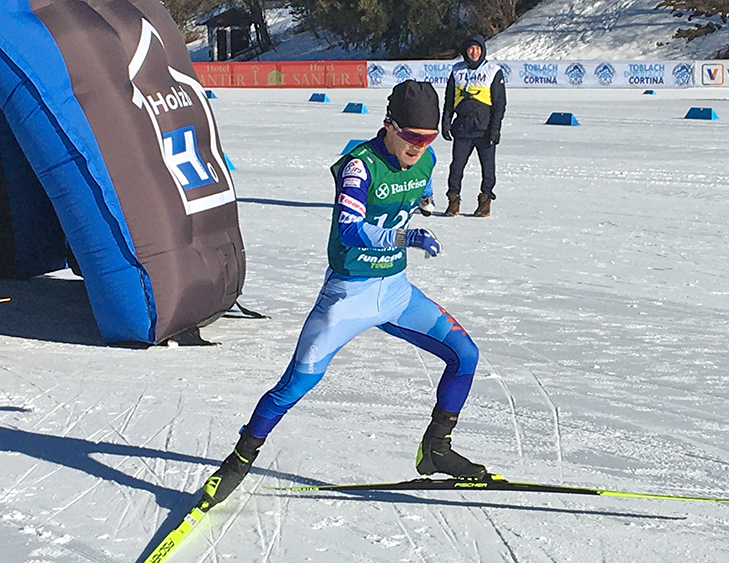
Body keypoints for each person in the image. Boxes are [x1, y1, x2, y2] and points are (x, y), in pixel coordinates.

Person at [200, 80, 487, 509]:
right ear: (389, 126)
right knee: (294, 384)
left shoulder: (425, 159)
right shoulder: (359, 166)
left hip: (395, 291)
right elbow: (350, 231)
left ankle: (436, 449)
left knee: (465, 355)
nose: (419, 148)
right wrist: (403, 234)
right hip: (348, 296)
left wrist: (423, 202)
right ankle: (238, 462)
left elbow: (420, 192)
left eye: (428, 139)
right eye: (411, 137)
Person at [442, 34, 506, 217]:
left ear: (483, 50)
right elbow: (449, 100)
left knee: (488, 168)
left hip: (484, 128)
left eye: (477, 48)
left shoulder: (493, 70)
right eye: (471, 48)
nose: (474, 52)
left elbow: (500, 104)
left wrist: (495, 129)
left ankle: (485, 202)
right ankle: (453, 200)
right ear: (465, 51)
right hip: (462, 126)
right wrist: (446, 122)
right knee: (456, 167)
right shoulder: (457, 71)